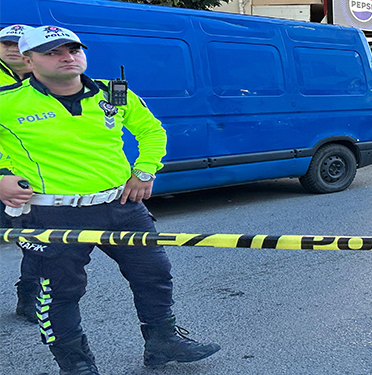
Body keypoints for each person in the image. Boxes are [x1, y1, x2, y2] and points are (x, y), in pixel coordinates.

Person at [0, 26, 220, 374]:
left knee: (154, 273)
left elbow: (151, 131)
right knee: (59, 293)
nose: (67, 57)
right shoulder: (6, 101)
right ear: (28, 60)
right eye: (53, 52)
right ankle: (75, 364)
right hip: (51, 213)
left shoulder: (114, 92)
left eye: (73, 50)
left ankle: (163, 342)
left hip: (121, 206)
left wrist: (145, 171)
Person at [0, 24, 37, 321]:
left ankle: (29, 298)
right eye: (6, 43)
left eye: (20, 43)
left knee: (36, 242)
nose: (13, 48)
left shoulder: (46, 78)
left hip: (31, 179)